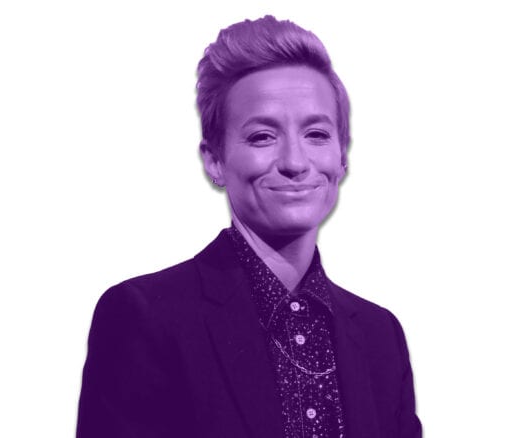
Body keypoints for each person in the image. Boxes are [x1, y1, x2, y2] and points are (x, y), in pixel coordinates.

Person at [77, 15, 422, 438]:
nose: (295, 162)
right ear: (214, 159)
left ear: (342, 157)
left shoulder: (380, 336)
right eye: (262, 137)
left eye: (316, 134)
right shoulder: (145, 318)